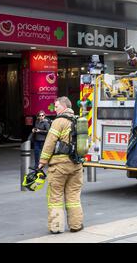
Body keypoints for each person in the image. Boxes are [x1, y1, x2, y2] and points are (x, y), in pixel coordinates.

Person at [38, 97, 84, 234]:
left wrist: (42, 162)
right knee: (74, 197)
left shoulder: (59, 121)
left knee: (56, 197)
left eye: (56, 106)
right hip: (76, 165)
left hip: (59, 165)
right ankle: (76, 225)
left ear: (64, 106)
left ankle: (56, 227)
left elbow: (50, 142)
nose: (55, 108)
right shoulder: (78, 120)